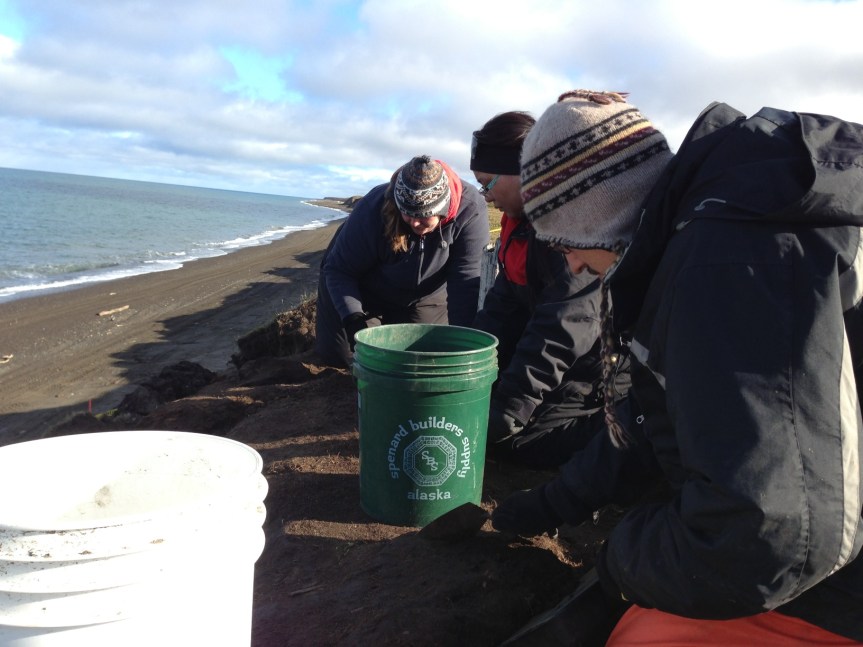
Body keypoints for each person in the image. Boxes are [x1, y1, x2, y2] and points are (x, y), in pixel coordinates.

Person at [492, 90, 863, 644]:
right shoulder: (710, 222)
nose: (567, 261)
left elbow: (770, 538)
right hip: (818, 506)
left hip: (832, 564)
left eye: (566, 239)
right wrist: (552, 503)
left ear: (600, 213)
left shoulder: (726, 265)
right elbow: (653, 412)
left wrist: (619, 566)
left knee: (643, 634)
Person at [470, 111, 628, 468]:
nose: (487, 198)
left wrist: (510, 410)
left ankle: (633, 435)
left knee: (516, 443)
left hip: (599, 368)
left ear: (522, 172)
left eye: (487, 184)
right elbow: (503, 303)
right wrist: (465, 366)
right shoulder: (521, 224)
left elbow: (565, 325)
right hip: (560, 360)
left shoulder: (573, 223)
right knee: (474, 413)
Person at [315, 155, 489, 367]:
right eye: (407, 214)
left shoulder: (470, 209)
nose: (415, 222)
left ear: (443, 209)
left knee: (427, 359)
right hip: (365, 289)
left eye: (424, 215)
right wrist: (353, 320)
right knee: (348, 358)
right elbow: (339, 270)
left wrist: (464, 345)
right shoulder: (373, 207)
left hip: (426, 293)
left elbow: (466, 280)